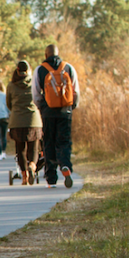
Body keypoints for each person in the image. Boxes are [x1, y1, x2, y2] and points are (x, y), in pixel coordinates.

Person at [34, 44, 79, 188]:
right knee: (64, 141)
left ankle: (51, 178)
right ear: (58, 54)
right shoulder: (68, 68)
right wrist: (71, 107)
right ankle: (65, 165)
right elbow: (75, 91)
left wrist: (42, 107)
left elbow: (35, 94)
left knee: (48, 142)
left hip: (48, 112)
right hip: (65, 112)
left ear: (46, 55)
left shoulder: (40, 69)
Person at [6, 61, 42, 185]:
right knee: (33, 147)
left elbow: (8, 103)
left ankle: (25, 177)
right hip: (34, 120)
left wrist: (16, 110)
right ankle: (32, 166)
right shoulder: (34, 82)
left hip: (17, 121)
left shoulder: (11, 85)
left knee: (20, 149)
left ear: (17, 70)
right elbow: (40, 98)